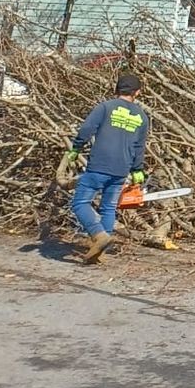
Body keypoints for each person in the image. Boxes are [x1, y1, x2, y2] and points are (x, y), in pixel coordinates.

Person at [66, 72, 150, 263]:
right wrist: (137, 169)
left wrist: (76, 148)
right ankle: (101, 252)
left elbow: (87, 129)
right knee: (108, 207)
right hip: (122, 168)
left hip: (99, 165)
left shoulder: (105, 108)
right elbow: (139, 145)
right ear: (137, 92)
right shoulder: (142, 117)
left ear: (116, 89)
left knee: (80, 203)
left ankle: (99, 235)